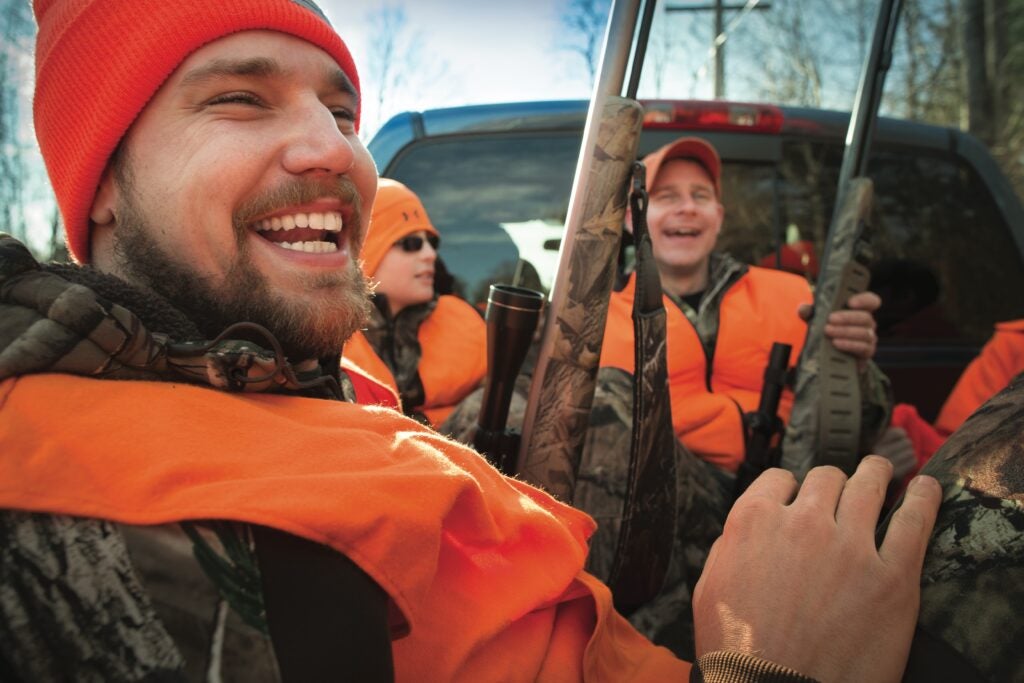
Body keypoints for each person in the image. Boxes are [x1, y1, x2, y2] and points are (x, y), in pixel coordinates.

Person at [0, 1, 941, 680]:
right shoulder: (107, 508)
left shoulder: (280, 377)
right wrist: (771, 668)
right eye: (239, 99)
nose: (336, 151)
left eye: (339, 113)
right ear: (103, 180)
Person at [599, 137, 891, 474]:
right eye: (666, 197)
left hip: (783, 495)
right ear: (632, 220)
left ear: (718, 217)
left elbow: (869, 427)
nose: (688, 208)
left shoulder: (794, 296)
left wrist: (856, 366)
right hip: (650, 501)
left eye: (701, 196)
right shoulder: (595, 316)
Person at [344, 178, 487, 427]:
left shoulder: (473, 325)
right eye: (411, 243)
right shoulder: (320, 344)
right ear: (365, 249)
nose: (430, 255)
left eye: (431, 243)